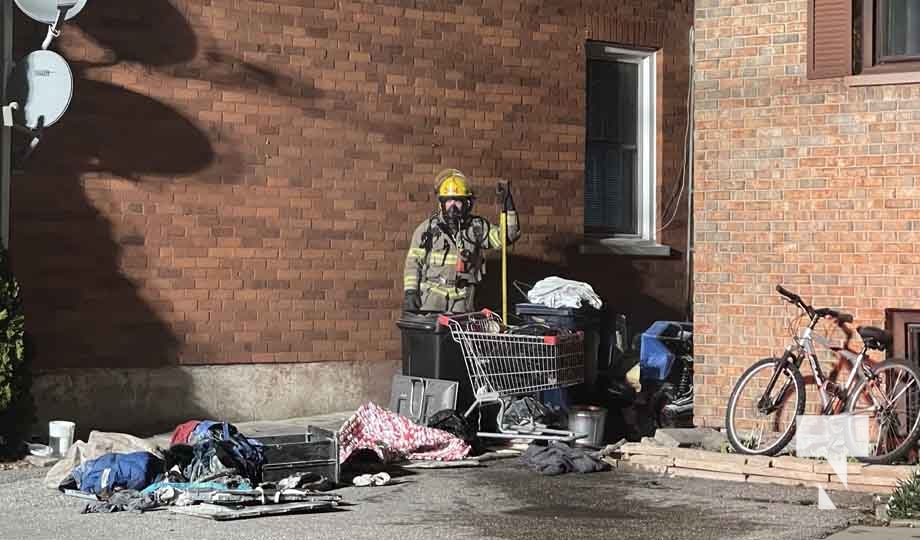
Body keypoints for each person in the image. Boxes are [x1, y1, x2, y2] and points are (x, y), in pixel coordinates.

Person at [403, 168, 520, 314]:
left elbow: (507, 236)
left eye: (458, 201)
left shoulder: (476, 228)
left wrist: (508, 207)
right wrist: (410, 291)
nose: (452, 206)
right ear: (441, 203)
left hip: (463, 300)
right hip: (432, 299)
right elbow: (413, 263)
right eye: (449, 201)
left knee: (460, 330)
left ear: (467, 203)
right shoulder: (427, 230)